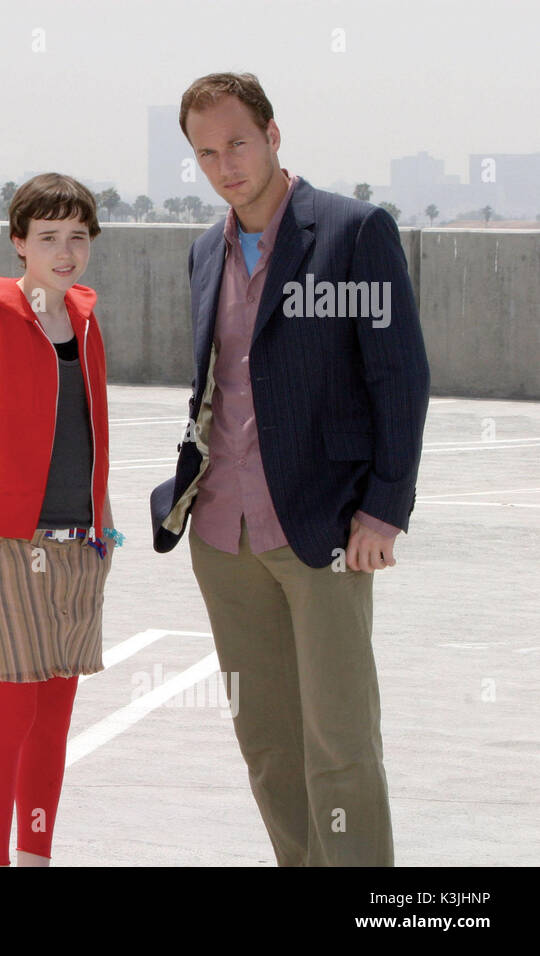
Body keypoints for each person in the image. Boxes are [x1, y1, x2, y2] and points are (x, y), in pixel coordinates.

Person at [150, 73, 430, 866]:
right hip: (221, 534)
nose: (225, 165)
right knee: (268, 745)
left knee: (338, 745)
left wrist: (384, 509)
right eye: (206, 153)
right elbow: (220, 380)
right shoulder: (206, 250)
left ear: (273, 136)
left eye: (237, 143)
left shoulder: (352, 231)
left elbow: (399, 378)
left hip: (323, 529)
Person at [0, 172, 122, 867]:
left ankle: (36, 856)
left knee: (53, 723)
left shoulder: (85, 319)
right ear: (19, 243)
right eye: (48, 238)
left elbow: (86, 431)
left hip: (79, 549)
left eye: (77, 237)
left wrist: (106, 524)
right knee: (9, 719)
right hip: (8, 548)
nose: (64, 252)